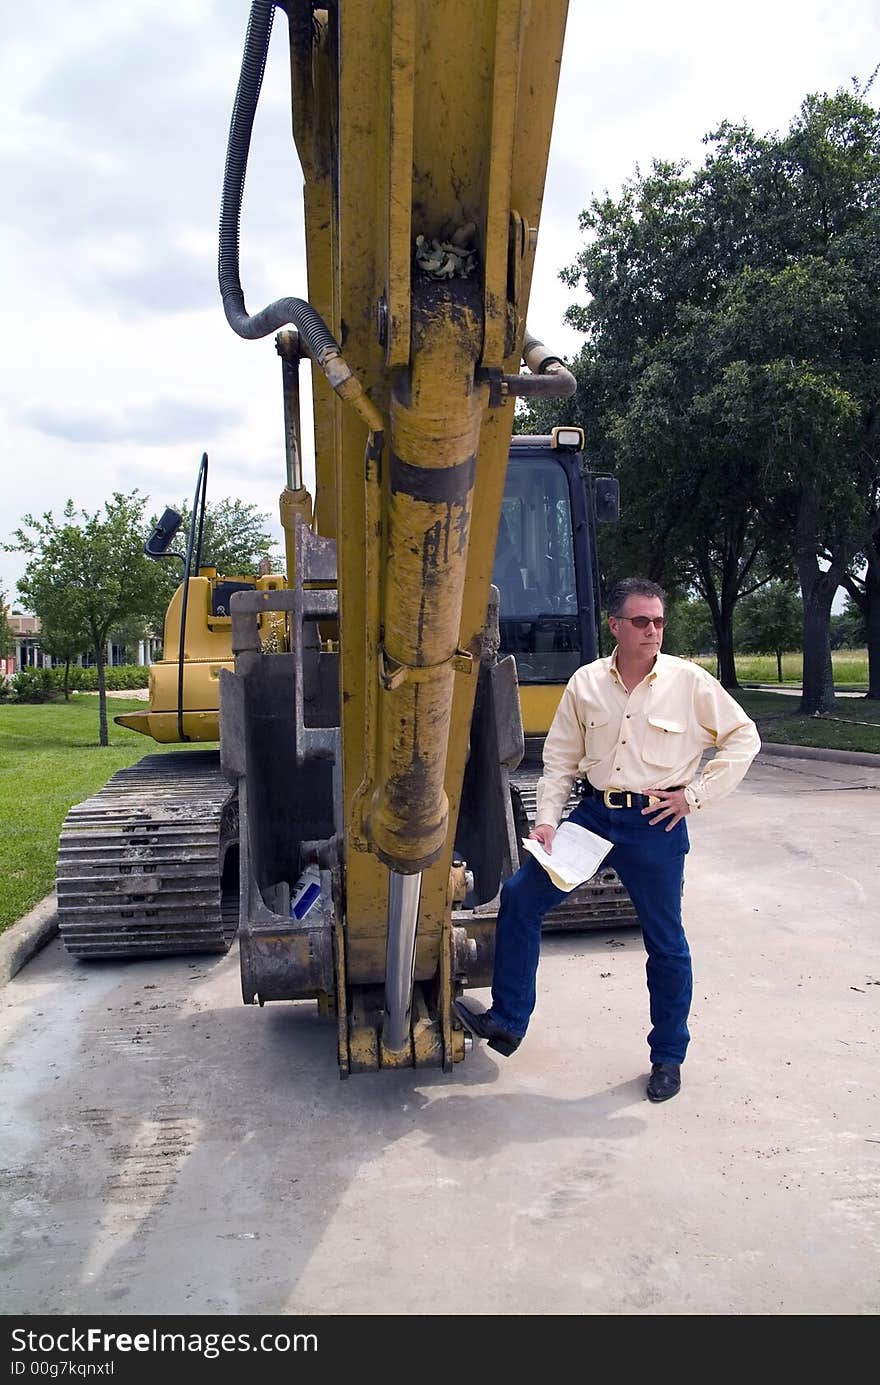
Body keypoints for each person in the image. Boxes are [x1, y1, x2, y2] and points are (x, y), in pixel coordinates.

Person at [454, 576, 761, 1102]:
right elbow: (560, 759)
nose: (653, 630)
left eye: (659, 620)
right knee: (523, 896)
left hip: (655, 824)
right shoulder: (586, 683)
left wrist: (695, 797)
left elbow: (744, 736)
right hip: (596, 815)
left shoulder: (689, 682)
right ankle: (508, 1020)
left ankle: (668, 1056)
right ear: (615, 625)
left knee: (666, 943)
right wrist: (548, 819)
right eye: (641, 621)